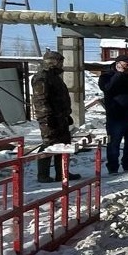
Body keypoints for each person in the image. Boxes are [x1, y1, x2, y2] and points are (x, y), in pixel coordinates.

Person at [31, 50, 73, 183]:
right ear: (52, 62)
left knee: (64, 144)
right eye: (60, 61)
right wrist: (46, 118)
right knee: (49, 144)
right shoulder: (42, 77)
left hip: (61, 117)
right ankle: (43, 175)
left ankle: (63, 173)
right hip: (49, 118)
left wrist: (66, 114)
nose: (62, 64)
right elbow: (41, 100)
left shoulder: (54, 77)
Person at [99, 54, 128, 174]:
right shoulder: (106, 76)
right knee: (114, 143)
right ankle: (113, 166)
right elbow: (107, 88)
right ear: (118, 64)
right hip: (116, 117)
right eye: (126, 64)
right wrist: (119, 74)